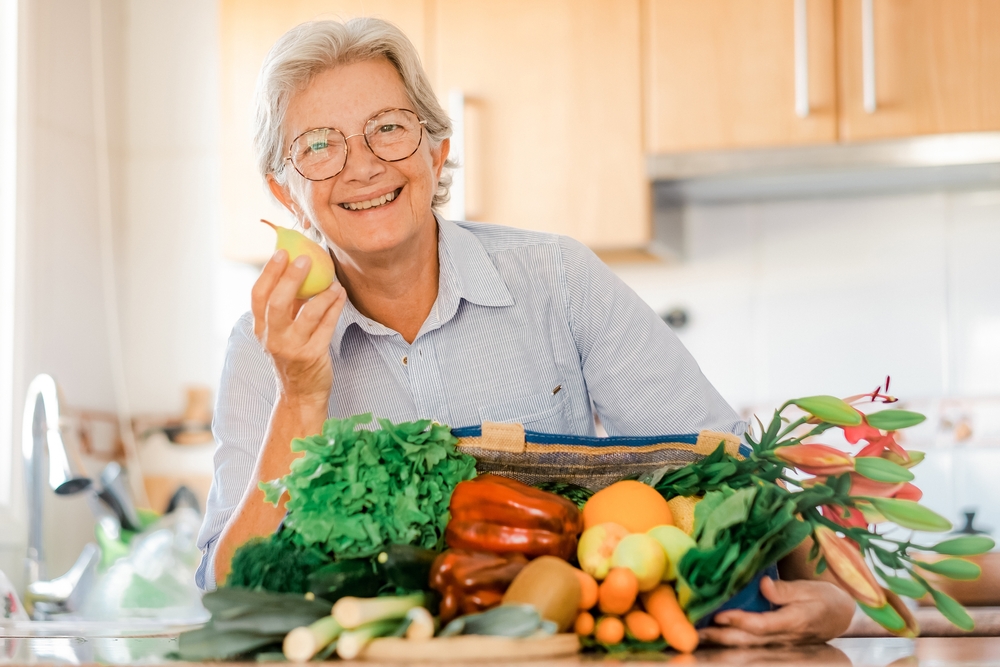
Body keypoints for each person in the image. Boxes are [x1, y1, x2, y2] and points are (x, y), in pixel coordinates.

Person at [196, 17, 855, 646]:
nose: (363, 165)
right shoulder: (262, 347)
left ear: (437, 148)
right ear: (283, 191)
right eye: (319, 146)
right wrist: (302, 393)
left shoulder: (557, 279)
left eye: (387, 129)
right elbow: (225, 593)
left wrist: (835, 596)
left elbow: (725, 464)